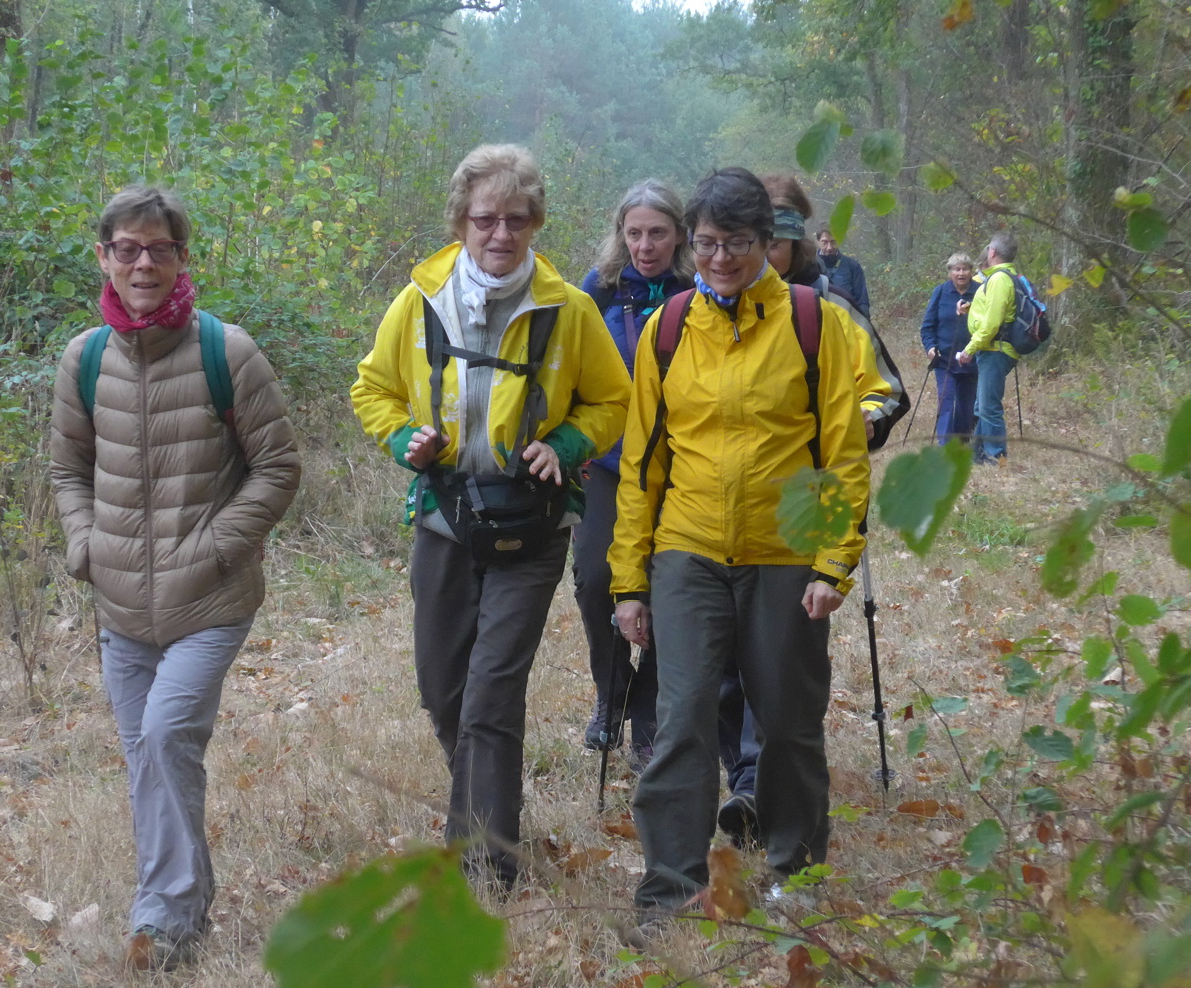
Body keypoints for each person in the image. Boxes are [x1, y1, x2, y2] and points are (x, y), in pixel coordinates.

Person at [352, 144, 628, 887]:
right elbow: (372, 388)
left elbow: (613, 397)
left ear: (535, 221)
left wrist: (567, 445)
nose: (500, 233)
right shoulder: (420, 301)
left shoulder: (568, 309)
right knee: (443, 689)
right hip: (444, 517)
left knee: (491, 694)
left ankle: (483, 863)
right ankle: (488, 803)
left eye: (515, 219)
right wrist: (403, 439)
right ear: (461, 222)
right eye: (485, 220)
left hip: (533, 524)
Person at [609, 167, 873, 936]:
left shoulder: (813, 323)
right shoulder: (669, 328)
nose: (719, 258)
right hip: (687, 549)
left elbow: (842, 452)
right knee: (682, 715)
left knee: (788, 720)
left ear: (768, 241)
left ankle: (797, 872)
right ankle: (670, 887)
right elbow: (643, 463)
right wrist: (629, 580)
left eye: (737, 243)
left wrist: (833, 562)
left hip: (786, 551)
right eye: (706, 243)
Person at [50, 185, 301, 971]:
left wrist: (220, 544)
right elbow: (67, 468)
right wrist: (85, 544)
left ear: (183, 258)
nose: (143, 264)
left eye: (160, 249)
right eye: (127, 249)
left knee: (165, 736)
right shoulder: (86, 359)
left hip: (211, 599)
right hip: (120, 603)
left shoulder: (228, 352)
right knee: (150, 758)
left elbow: (279, 466)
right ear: (104, 257)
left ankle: (161, 919)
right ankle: (181, 909)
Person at [705, 173, 901, 848]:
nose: (768, 245)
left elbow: (886, 390)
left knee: (781, 658)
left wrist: (857, 421)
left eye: (781, 231)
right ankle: (746, 775)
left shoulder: (831, 308)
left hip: (808, 498)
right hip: (721, 513)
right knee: (726, 658)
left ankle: (762, 784)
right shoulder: (705, 305)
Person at [576, 181, 695, 773]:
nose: (645, 246)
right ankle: (611, 689)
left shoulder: (699, 289)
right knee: (596, 578)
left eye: (657, 234)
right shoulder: (597, 289)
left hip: (683, 465)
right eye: (634, 234)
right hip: (609, 462)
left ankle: (648, 709)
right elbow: (566, 366)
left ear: (680, 235)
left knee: (673, 586)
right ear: (620, 235)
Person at [956, 231, 1021, 465]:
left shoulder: (999, 279)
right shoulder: (1004, 277)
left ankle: (996, 458)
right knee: (982, 406)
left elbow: (992, 323)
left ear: (992, 252)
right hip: (994, 349)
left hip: (995, 350)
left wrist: (969, 349)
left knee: (989, 407)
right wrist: (971, 308)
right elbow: (994, 311)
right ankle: (978, 455)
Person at [920, 252, 979, 445]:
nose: (961, 273)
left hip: (971, 359)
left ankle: (961, 444)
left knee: (966, 406)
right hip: (944, 359)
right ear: (949, 272)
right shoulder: (940, 292)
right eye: (956, 269)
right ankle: (944, 446)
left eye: (965, 269)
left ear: (971, 271)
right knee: (946, 402)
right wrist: (930, 347)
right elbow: (927, 326)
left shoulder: (980, 292)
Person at [816, 226, 871, 317]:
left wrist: (864, 323)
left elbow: (862, 301)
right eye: (824, 242)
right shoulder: (808, 266)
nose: (829, 247)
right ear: (818, 242)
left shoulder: (852, 266)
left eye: (833, 242)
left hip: (846, 320)